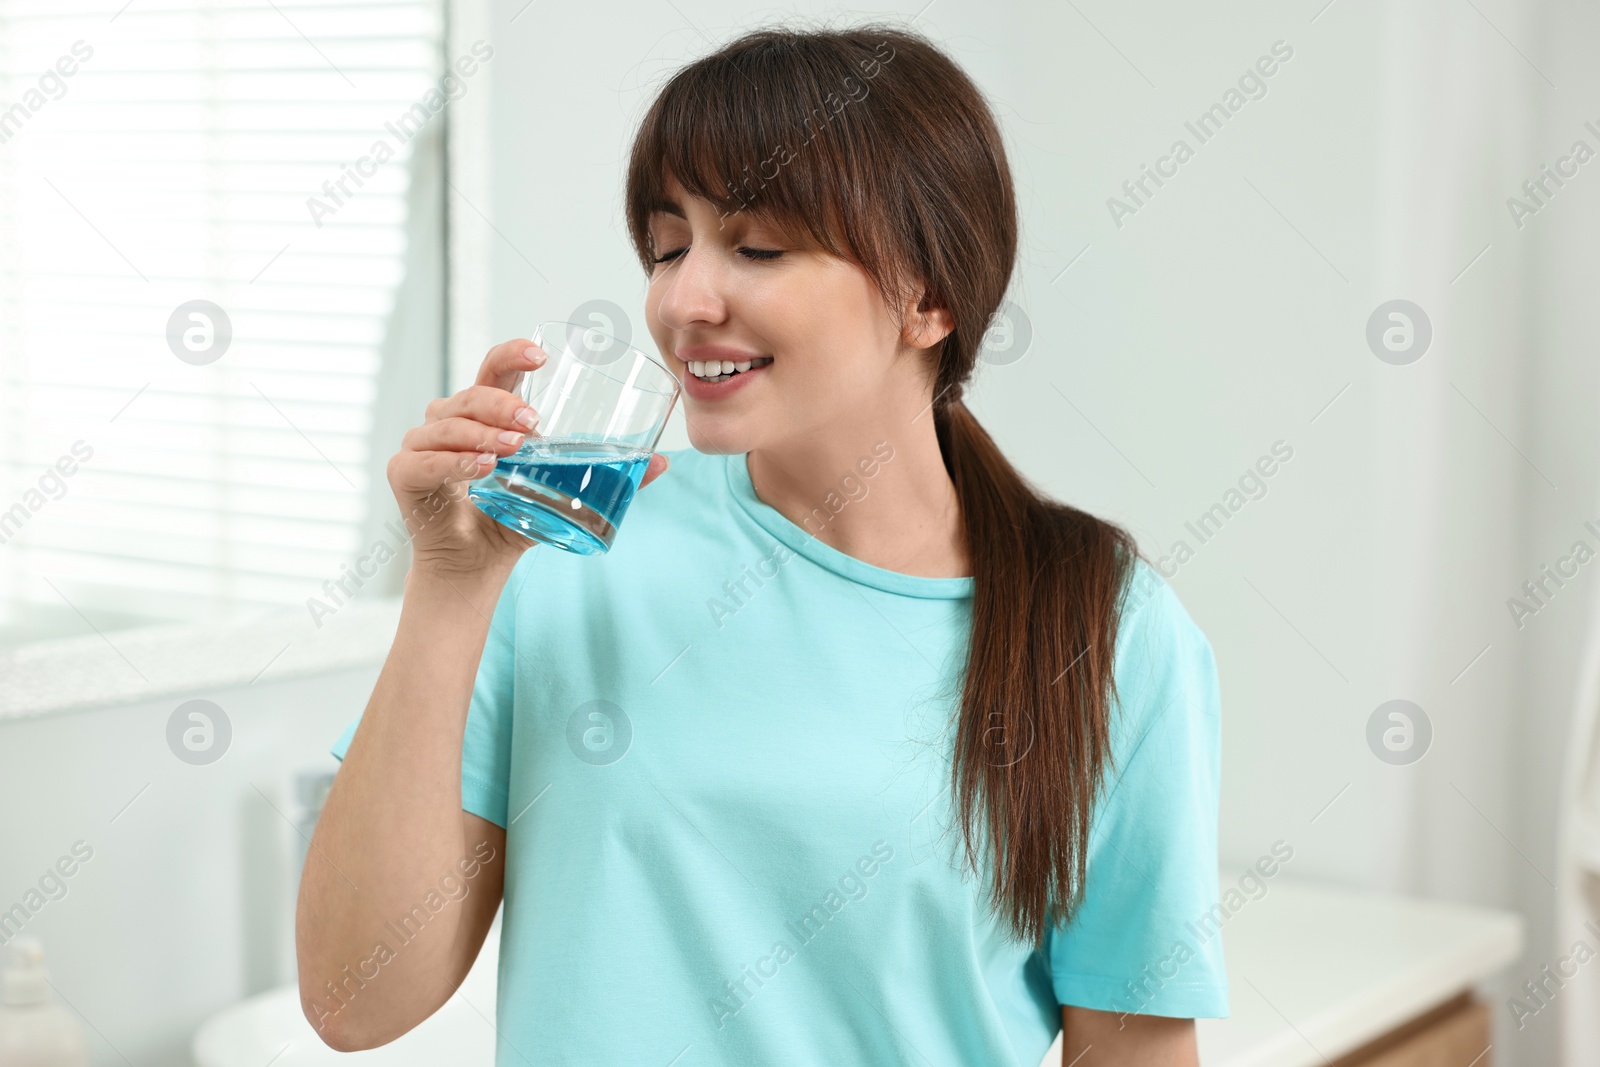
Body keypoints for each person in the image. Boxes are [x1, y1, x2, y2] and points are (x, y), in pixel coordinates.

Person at [296, 21, 1227, 1067]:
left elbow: (1134, 1048)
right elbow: (351, 999)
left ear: (928, 296)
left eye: (758, 247)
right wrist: (448, 587)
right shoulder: (566, 554)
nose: (684, 299)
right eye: (666, 245)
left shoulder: (1104, 626)